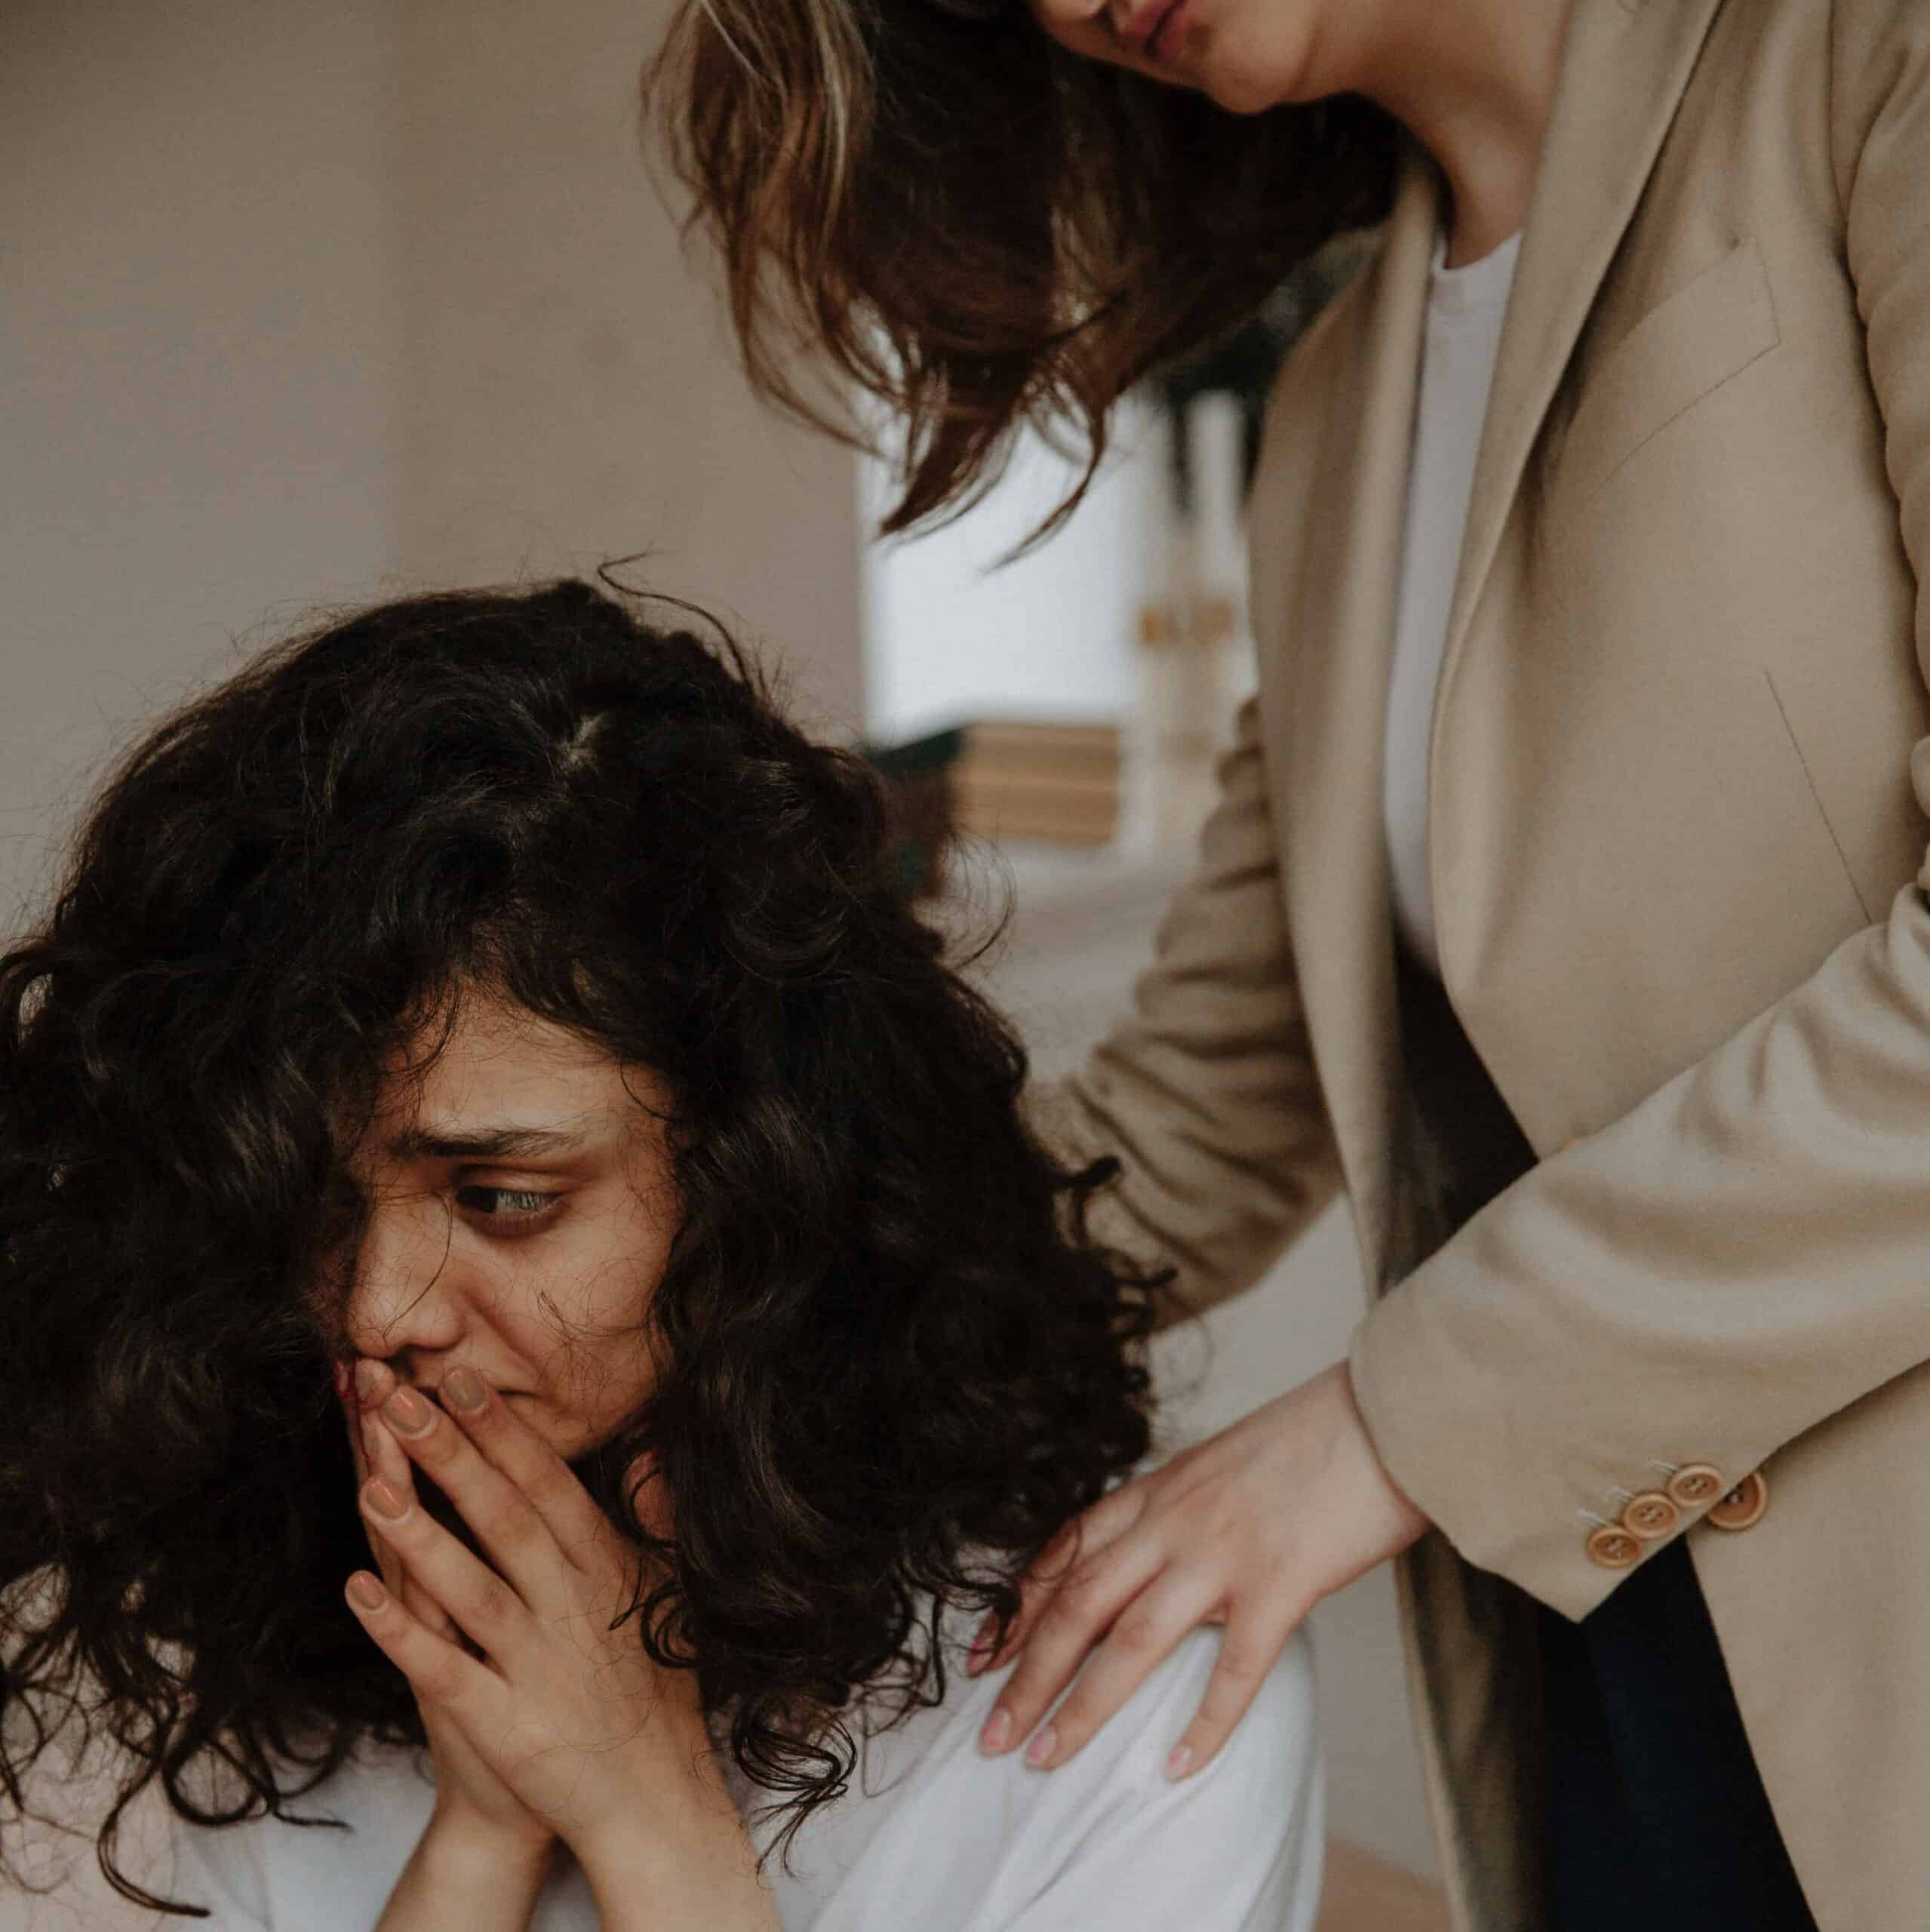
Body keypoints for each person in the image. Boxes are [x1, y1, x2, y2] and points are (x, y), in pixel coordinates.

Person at [644, 0, 1930, 1924]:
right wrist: (654, 1305)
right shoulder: (1339, 402)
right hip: (1615, 1618)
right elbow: (1195, 1115)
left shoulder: (1856, 63)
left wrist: (1381, 1421)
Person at [0, 580, 1325, 1930]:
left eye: (505, 1198)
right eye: (313, 1208)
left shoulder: (1120, 1669)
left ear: (771, 1170)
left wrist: (645, 1804)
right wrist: (483, 1831)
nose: (377, 1312)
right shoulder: (276, 1607)